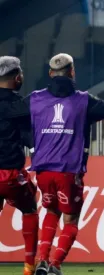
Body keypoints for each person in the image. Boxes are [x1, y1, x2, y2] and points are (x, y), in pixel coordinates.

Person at [0, 53, 104, 275]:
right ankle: (55, 265)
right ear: (72, 72)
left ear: (50, 74)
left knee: (51, 210)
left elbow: (8, 111)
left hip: (43, 172)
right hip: (69, 171)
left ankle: (40, 261)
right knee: (71, 219)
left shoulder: (35, 98)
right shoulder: (83, 100)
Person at [0, 56, 39, 275]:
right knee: (30, 209)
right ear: (17, 78)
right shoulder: (20, 105)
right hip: (9, 174)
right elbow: (29, 140)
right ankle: (29, 266)